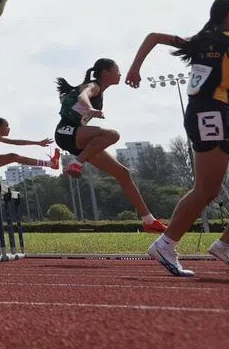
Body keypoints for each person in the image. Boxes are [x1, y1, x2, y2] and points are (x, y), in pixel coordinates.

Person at [125, 0, 229, 277]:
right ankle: (165, 244)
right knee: (206, 190)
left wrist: (135, 68)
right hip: (209, 116)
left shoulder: (201, 40)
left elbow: (153, 37)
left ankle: (225, 243)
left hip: (213, 113)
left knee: (206, 189)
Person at [54, 59, 167, 234]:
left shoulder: (100, 90)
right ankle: (76, 163)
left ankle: (149, 221)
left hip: (80, 139)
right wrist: (90, 108)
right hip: (66, 132)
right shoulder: (94, 86)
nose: (120, 74)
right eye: (118, 70)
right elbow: (82, 95)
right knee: (112, 135)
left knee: (123, 173)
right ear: (106, 73)